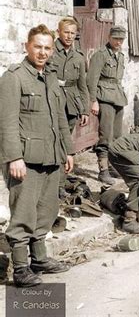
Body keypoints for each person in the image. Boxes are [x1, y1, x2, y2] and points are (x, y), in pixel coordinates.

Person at [0, 24, 74, 287]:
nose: (42, 52)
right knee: (23, 212)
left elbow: (60, 118)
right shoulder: (14, 77)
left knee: (47, 209)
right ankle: (21, 268)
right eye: (37, 47)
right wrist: (13, 158)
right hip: (25, 159)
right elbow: (6, 122)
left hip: (52, 156)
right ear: (26, 47)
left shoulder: (51, 78)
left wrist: (67, 151)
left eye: (47, 48)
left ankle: (40, 259)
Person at [47, 17, 89, 198]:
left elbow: (83, 85)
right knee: (50, 143)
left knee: (66, 144)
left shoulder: (79, 57)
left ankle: (60, 185)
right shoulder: (49, 51)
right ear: (58, 32)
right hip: (51, 101)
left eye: (73, 33)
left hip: (71, 104)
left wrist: (85, 109)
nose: (69, 36)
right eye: (66, 32)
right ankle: (47, 184)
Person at [87, 26, 128, 185]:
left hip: (118, 97)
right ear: (109, 37)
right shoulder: (100, 55)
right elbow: (91, 79)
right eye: (116, 38)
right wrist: (93, 100)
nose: (118, 42)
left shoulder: (121, 56)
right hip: (104, 98)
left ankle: (113, 167)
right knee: (105, 136)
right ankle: (103, 171)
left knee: (117, 136)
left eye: (121, 39)